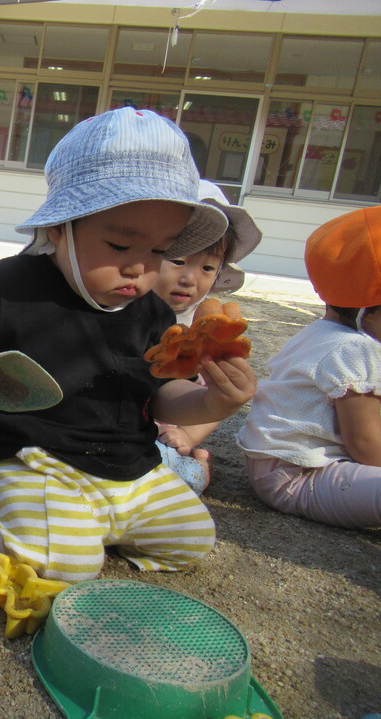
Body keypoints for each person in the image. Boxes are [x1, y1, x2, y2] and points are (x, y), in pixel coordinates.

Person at [0, 107, 257, 585]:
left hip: (133, 468)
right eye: (121, 247)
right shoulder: (11, 283)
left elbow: (164, 394)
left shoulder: (155, 313)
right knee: (61, 566)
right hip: (37, 463)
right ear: (61, 227)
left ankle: (90, 524)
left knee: (192, 539)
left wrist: (214, 400)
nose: (140, 269)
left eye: (160, 250)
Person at [237, 205, 381, 529]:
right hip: (301, 476)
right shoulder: (358, 350)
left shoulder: (321, 333)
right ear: (366, 311)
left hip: (273, 467)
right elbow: (365, 445)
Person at [151, 180, 263, 493]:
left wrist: (186, 434)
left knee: (177, 477)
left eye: (207, 267)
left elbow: (214, 397)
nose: (189, 278)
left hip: (169, 430)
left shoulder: (210, 329)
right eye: (177, 260)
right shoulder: (122, 309)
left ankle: (196, 462)